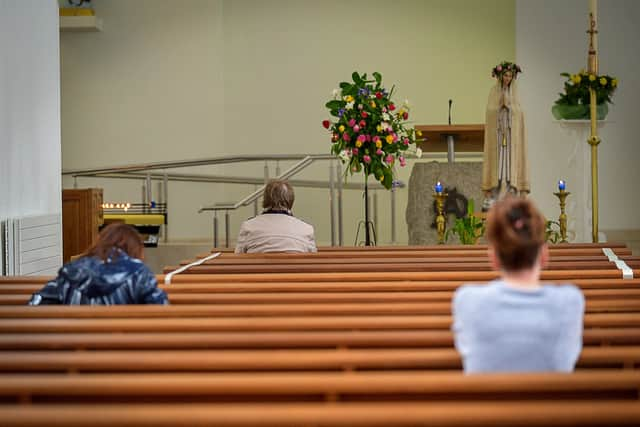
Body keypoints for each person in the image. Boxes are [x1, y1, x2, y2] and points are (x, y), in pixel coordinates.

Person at [452, 197, 584, 373]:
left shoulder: (467, 300)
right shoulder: (570, 301)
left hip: (488, 401)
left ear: (494, 259)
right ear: (545, 256)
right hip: (550, 401)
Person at [28, 223, 168, 305]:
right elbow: (161, 311)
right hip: (124, 349)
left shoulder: (71, 271)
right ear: (135, 249)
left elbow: (36, 304)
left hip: (74, 349)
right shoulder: (139, 274)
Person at [482, 61, 529, 211]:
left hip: (510, 138)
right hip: (498, 136)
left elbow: (519, 113)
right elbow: (489, 111)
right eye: (505, 75)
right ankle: (496, 192)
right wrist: (498, 107)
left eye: (510, 76)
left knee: (509, 164)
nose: (507, 78)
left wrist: (509, 107)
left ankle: (511, 190)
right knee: (499, 164)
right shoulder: (494, 91)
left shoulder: (515, 92)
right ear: (500, 76)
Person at [235, 179, 317, 253]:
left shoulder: (248, 226)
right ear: (291, 199)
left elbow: (238, 258)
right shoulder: (306, 229)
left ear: (266, 198)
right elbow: (313, 260)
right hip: (293, 269)